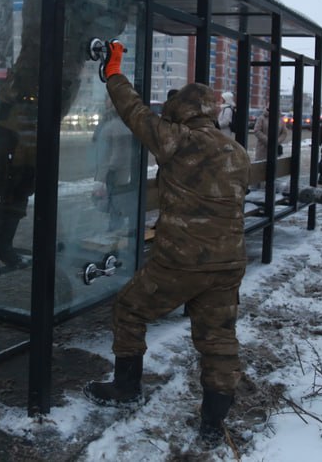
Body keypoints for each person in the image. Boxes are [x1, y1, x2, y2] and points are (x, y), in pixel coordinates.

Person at [84, 41, 251, 449]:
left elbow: (133, 110)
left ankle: (126, 388)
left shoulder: (178, 141)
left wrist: (113, 72)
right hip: (228, 262)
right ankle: (213, 425)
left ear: (183, 113)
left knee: (129, 307)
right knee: (218, 340)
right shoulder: (238, 152)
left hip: (181, 261)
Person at [0, 0, 135, 276]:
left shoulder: (82, 17)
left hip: (49, 110)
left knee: (24, 181)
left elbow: (107, 25)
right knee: (0, 179)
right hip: (20, 106)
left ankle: (2, 245)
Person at [92, 96, 135, 231]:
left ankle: (114, 228)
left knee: (113, 200)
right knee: (112, 200)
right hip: (115, 169)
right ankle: (114, 226)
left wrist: (111, 169)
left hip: (113, 170)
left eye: (109, 100)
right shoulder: (117, 123)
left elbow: (119, 152)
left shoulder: (116, 125)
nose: (106, 103)